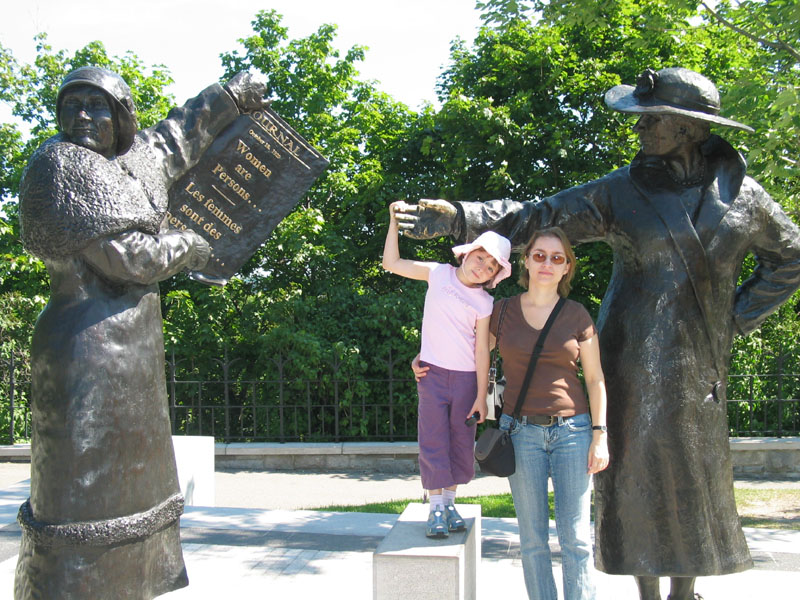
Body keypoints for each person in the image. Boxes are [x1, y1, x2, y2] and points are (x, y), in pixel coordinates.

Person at [396, 67, 800, 599]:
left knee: (690, 474)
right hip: (626, 358)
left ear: (688, 129)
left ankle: (685, 593)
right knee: (633, 478)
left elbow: (790, 257)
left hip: (697, 363)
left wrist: (733, 320)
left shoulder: (745, 198)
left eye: (650, 119)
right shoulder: (623, 192)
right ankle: (648, 593)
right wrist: (463, 218)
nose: (638, 129)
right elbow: (541, 215)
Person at [16, 66, 271, 599]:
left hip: (134, 351)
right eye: (72, 105)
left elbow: (183, 130)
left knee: (137, 479)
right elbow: (125, 257)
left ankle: (136, 583)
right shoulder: (58, 167)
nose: (83, 116)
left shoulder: (138, 161)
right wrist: (192, 246)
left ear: (121, 116)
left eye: (98, 105)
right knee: (84, 491)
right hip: (84, 347)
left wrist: (230, 94)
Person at [383, 200, 511, 538]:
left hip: (468, 380)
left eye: (491, 267)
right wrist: (394, 223)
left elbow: (481, 348)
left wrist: (482, 397)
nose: (482, 267)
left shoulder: (485, 302)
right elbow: (391, 262)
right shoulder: (438, 273)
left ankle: (451, 503)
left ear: (496, 276)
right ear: (466, 254)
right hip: (433, 375)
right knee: (433, 441)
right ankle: (435, 508)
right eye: (480, 257)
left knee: (460, 443)